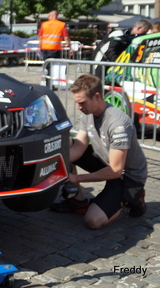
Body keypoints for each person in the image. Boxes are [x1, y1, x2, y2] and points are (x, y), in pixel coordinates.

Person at [49, 74, 147, 229]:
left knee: (93, 221)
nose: (79, 107)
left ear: (96, 96)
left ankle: (134, 197)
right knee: (66, 144)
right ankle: (78, 201)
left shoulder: (117, 124)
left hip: (126, 175)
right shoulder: (88, 114)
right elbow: (77, 148)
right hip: (107, 161)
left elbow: (115, 171)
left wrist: (76, 178)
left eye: (82, 103)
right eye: (77, 103)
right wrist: (52, 163)